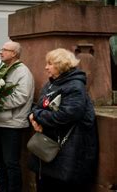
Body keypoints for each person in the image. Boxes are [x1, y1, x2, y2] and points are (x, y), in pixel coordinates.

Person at [29, 48, 98, 192]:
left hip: (69, 151)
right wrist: (35, 116)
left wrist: (37, 116)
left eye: (50, 64)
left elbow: (65, 115)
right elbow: (38, 106)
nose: (46, 67)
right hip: (49, 149)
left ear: (61, 65)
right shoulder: (52, 84)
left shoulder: (75, 86)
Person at [0, 41, 34, 192]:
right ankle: (3, 187)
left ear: (14, 53)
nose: (0, 52)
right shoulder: (4, 69)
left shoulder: (22, 72)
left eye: (4, 50)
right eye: (1, 49)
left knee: (11, 162)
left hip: (12, 123)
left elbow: (21, 96)